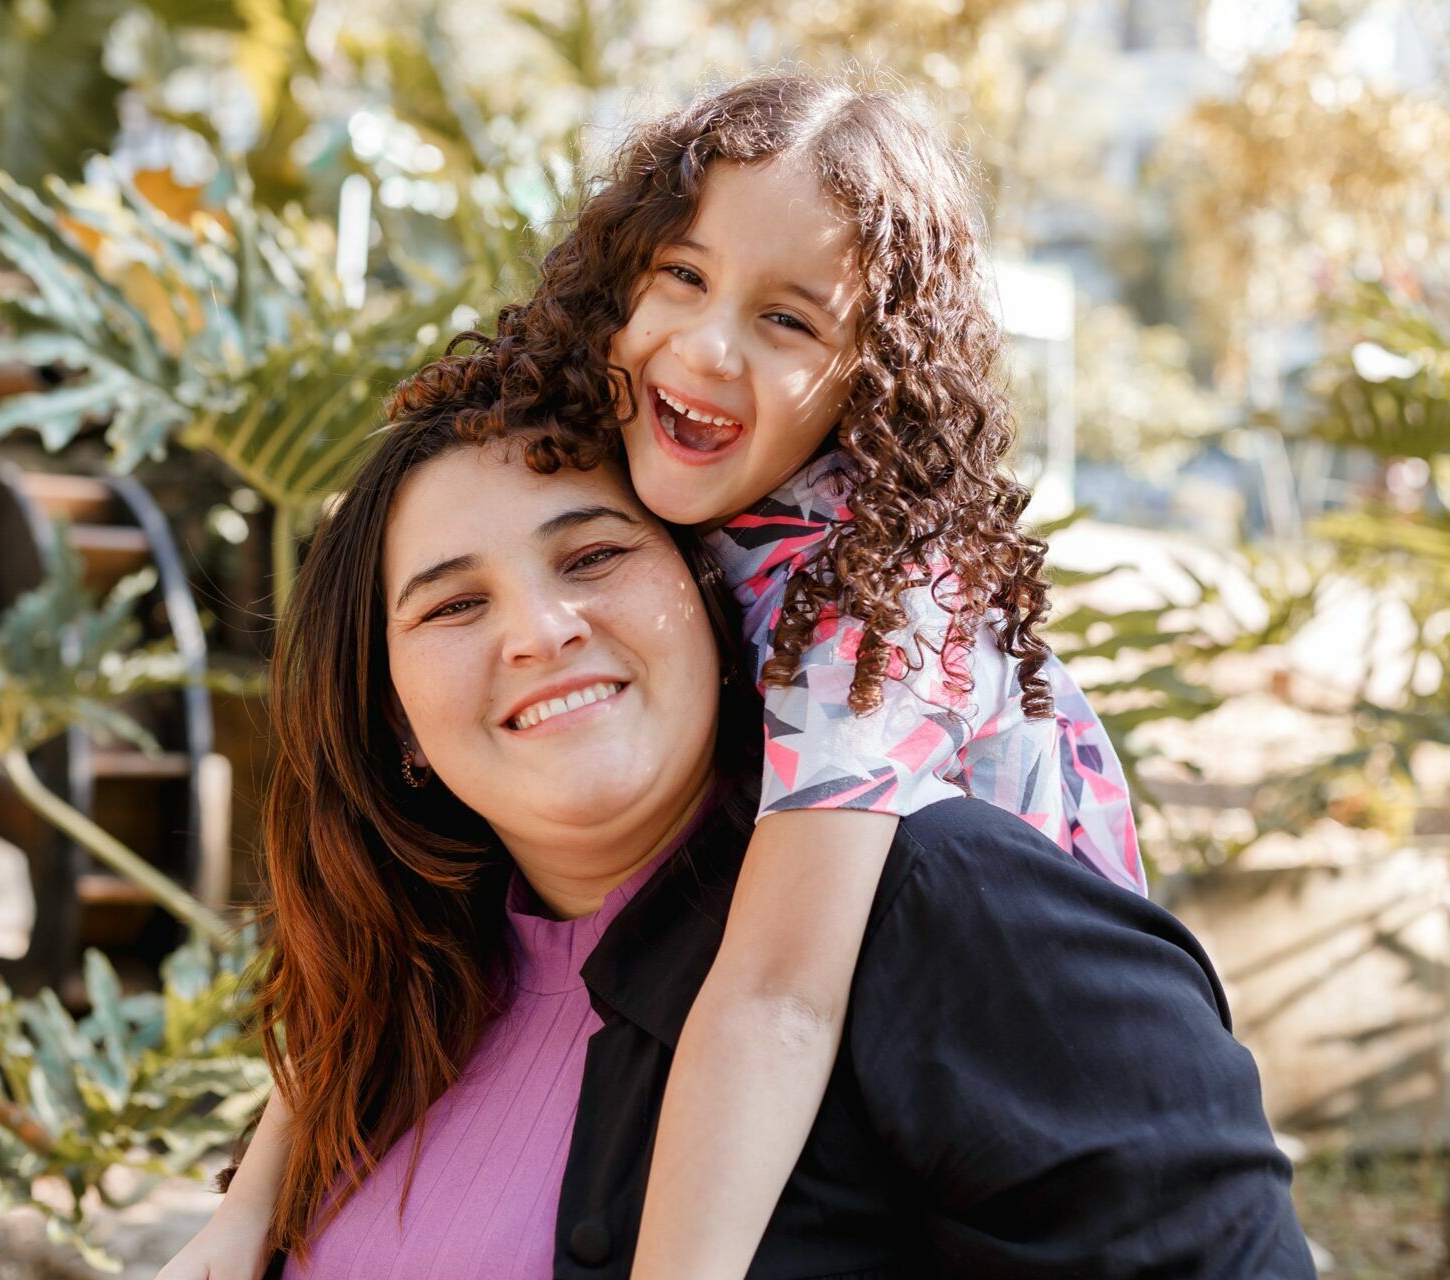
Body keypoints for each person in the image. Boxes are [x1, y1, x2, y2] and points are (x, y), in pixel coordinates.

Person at [156, 392, 1315, 1278]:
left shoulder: (936, 896)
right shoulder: (398, 985)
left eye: (594, 555)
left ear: (721, 603)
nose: (541, 631)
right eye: (455, 604)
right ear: (395, 717)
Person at [441, 72, 1144, 1276]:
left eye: (789, 320)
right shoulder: (644, 474)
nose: (707, 345)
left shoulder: (881, 597)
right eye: (683, 272)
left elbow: (778, 994)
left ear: (871, 374)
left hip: (1033, 1122)